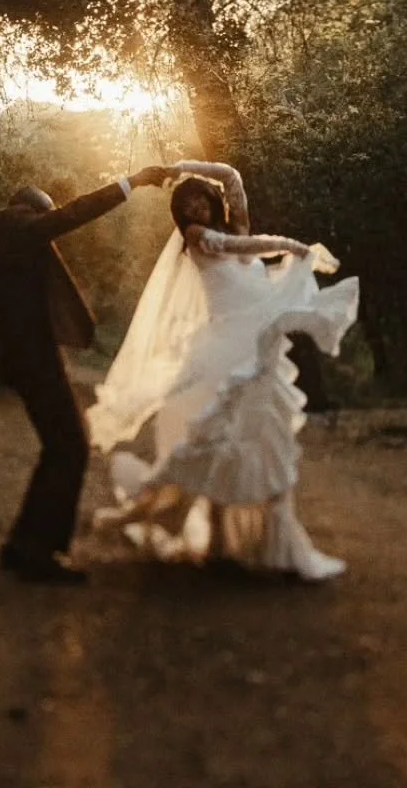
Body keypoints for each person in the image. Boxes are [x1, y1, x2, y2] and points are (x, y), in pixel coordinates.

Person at [87, 162, 358, 580]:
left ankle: (266, 547)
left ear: (210, 200)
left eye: (199, 199)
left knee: (259, 442)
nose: (194, 208)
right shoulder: (196, 239)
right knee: (216, 442)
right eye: (186, 204)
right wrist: (291, 245)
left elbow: (232, 179)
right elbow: (240, 251)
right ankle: (218, 546)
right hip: (221, 352)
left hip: (253, 346)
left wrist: (184, 168)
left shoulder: (237, 225)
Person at [0, 165, 173, 584]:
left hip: (26, 358)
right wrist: (131, 183)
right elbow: (72, 214)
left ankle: (22, 546)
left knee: (60, 448)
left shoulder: (1, 238)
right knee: (71, 449)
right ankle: (42, 554)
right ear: (30, 209)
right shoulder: (17, 225)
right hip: (33, 360)